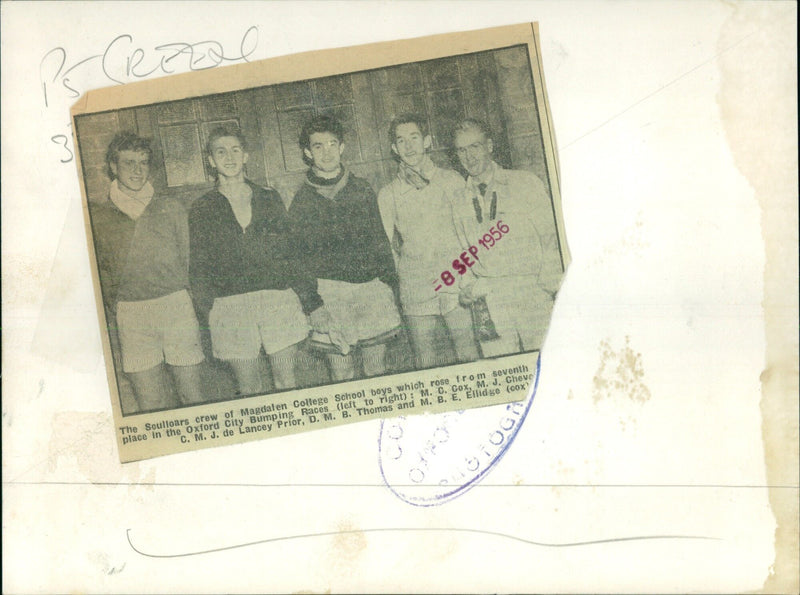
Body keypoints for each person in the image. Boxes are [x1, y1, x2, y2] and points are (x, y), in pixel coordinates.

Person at [189, 125, 321, 395]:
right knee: (249, 389)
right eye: (221, 152)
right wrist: (208, 311)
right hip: (231, 307)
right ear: (211, 161)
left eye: (235, 150)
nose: (229, 157)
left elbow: (291, 252)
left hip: (276, 301)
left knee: (287, 383)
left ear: (246, 156)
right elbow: (199, 266)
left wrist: (311, 301)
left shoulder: (268, 198)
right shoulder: (202, 207)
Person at [91, 132, 205, 412]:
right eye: (128, 163)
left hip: (176, 306)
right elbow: (101, 277)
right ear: (113, 167)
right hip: (131, 313)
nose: (137, 170)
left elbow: (188, 260)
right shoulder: (100, 217)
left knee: (193, 397)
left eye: (143, 162)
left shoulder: (172, 208)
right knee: (150, 403)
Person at [288, 115, 401, 381]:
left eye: (331, 144)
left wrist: (389, 286)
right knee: (342, 373)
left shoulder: (361, 188)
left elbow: (380, 242)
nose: (326, 152)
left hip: (371, 290)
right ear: (307, 152)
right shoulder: (302, 201)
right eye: (318, 146)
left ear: (342, 147)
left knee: (377, 370)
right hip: (330, 294)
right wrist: (314, 305)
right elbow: (297, 259)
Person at [450, 118, 563, 356]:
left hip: (531, 291)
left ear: (489, 146)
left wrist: (547, 287)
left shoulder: (524, 183)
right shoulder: (458, 199)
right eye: (461, 150)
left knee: (548, 362)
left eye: (475, 147)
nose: (469, 157)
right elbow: (462, 250)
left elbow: (551, 237)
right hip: (489, 295)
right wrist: (469, 285)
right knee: (501, 367)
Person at [377, 114, 479, 369]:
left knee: (468, 352)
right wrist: (404, 274)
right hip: (416, 285)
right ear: (394, 149)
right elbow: (386, 245)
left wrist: (468, 275)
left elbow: (469, 232)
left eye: (414, 138)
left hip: (456, 279)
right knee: (425, 360)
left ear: (427, 142)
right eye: (401, 141)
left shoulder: (452, 180)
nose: (409, 146)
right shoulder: (388, 194)